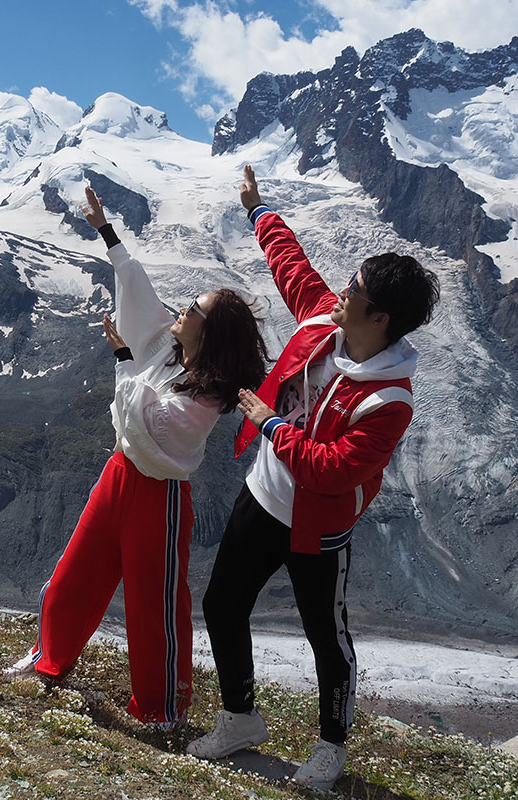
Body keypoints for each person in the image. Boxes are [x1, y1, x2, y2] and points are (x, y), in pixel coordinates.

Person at [186, 165, 440, 789]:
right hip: (264, 497)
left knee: (327, 638)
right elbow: (291, 267)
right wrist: (257, 210)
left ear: (378, 318)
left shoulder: (390, 402)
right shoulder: (328, 320)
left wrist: (271, 426)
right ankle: (240, 718)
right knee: (222, 605)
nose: (342, 289)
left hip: (316, 526)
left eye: (354, 287)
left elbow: (331, 473)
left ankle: (331, 747)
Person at [4, 186, 270, 729]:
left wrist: (124, 360)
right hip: (122, 475)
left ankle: (160, 709)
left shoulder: (209, 395)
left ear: (207, 330)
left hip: (158, 495)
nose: (182, 309)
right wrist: (106, 231)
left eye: (193, 309)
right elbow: (138, 288)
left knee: (155, 605)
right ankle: (49, 659)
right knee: (77, 571)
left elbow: (155, 425)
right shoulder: (172, 346)